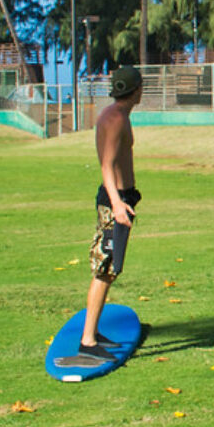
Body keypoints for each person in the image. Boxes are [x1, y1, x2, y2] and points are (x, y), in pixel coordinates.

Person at [75, 66, 143, 363]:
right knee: (105, 270)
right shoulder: (116, 119)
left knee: (110, 269)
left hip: (120, 199)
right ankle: (88, 340)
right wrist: (117, 205)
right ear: (137, 90)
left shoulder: (112, 114)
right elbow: (106, 165)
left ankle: (94, 333)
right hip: (115, 202)